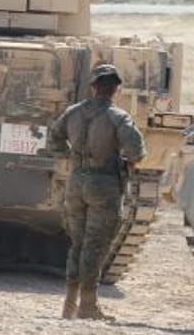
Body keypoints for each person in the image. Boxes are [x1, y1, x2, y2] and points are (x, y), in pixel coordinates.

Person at [47, 63, 146, 321]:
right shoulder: (118, 116)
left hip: (76, 182)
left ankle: (69, 305)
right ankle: (88, 305)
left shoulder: (73, 112)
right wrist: (127, 162)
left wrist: (69, 157)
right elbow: (136, 151)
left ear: (93, 87)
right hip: (104, 184)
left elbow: (54, 139)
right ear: (116, 89)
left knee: (78, 243)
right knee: (96, 244)